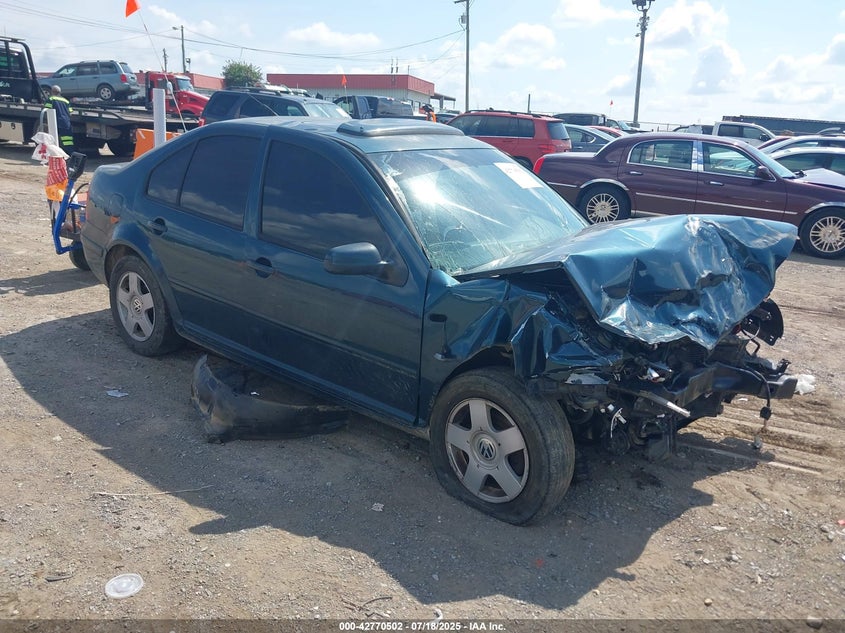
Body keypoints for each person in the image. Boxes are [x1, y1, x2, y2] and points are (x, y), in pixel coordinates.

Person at [44, 85, 74, 154]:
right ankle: (70, 155)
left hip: (55, 122)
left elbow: (47, 110)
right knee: (68, 141)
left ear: (52, 91)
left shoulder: (51, 99)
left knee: (53, 139)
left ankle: (54, 154)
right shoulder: (66, 101)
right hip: (66, 123)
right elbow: (71, 112)